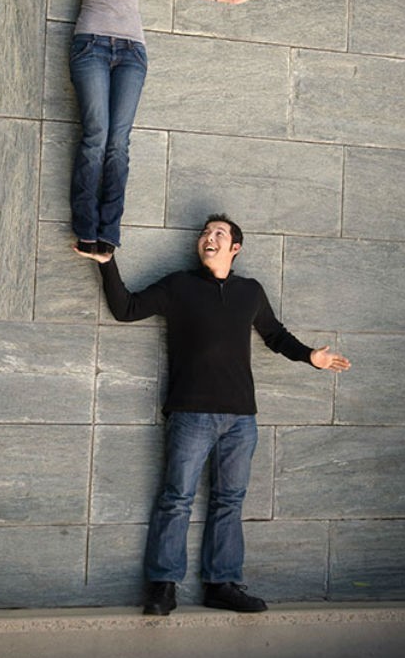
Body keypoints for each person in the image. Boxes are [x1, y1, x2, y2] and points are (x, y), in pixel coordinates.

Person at [99, 214, 351, 616]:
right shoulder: (179, 286)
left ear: (235, 248)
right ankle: (163, 587)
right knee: (176, 499)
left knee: (229, 501)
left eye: (218, 233)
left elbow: (275, 336)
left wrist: (310, 357)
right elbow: (125, 308)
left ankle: (222, 585)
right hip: (190, 414)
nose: (208, 237)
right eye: (205, 233)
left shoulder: (250, 292)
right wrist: (107, 262)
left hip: (240, 420)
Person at [25, 0, 268, 262]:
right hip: (90, 47)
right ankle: (86, 231)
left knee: (118, 143)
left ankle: (108, 235)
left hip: (131, 54)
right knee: (96, 136)